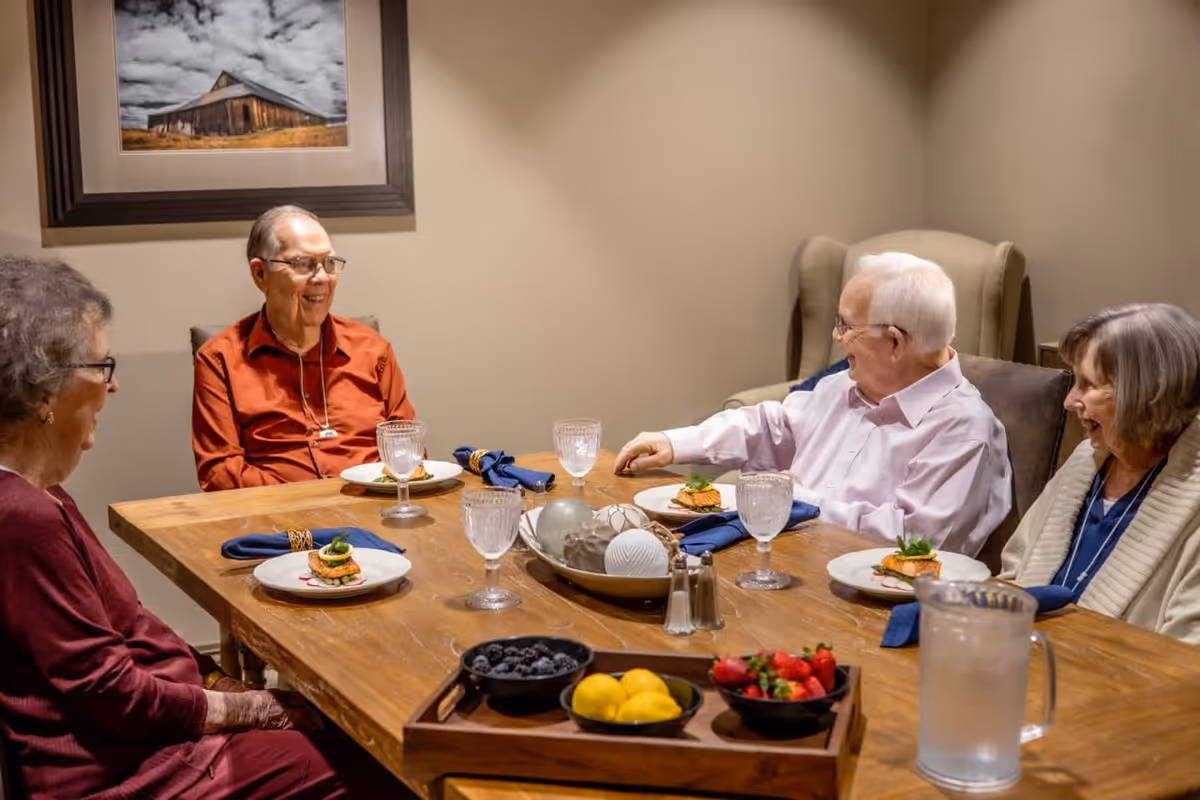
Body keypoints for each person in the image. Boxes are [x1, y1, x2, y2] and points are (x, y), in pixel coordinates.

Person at [0, 255, 361, 798]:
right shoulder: (22, 518)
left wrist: (221, 682)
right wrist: (254, 708)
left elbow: (132, 626)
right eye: (101, 368)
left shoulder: (41, 495)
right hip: (124, 767)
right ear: (44, 392)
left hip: (143, 734)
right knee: (372, 764)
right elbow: (111, 692)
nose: (112, 386)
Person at [615, 252, 1012, 555]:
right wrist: (675, 443)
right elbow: (773, 426)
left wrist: (795, 497)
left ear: (894, 342)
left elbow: (912, 542)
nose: (837, 338)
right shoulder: (843, 386)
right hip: (781, 564)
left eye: (846, 325)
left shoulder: (963, 430)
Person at [1000, 304, 1200, 643]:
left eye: (1087, 384)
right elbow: (1013, 570)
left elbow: (1184, 655)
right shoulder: (1088, 458)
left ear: (1148, 395)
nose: (1069, 401)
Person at [193, 205, 416, 491]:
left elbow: (408, 450)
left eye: (329, 263)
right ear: (260, 274)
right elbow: (220, 473)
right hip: (278, 526)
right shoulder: (219, 360)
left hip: (374, 512)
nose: (322, 277)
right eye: (303, 264)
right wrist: (307, 502)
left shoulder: (373, 351)